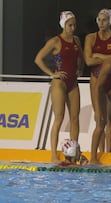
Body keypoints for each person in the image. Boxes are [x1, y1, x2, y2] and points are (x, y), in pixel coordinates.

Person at [34, 11, 83, 163]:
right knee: (59, 118)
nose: (73, 28)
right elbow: (38, 59)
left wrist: (80, 70)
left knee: (75, 118)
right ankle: (54, 154)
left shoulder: (76, 40)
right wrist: (52, 73)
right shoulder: (56, 41)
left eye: (74, 25)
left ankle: (73, 154)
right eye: (70, 25)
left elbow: (80, 57)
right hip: (59, 84)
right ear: (63, 25)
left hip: (73, 83)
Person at [84, 8, 111, 153]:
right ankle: (100, 152)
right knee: (99, 119)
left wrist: (97, 55)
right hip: (96, 80)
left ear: (110, 21)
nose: (101, 23)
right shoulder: (90, 38)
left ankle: (109, 152)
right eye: (99, 20)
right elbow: (88, 61)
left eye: (105, 20)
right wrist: (108, 57)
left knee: (109, 119)